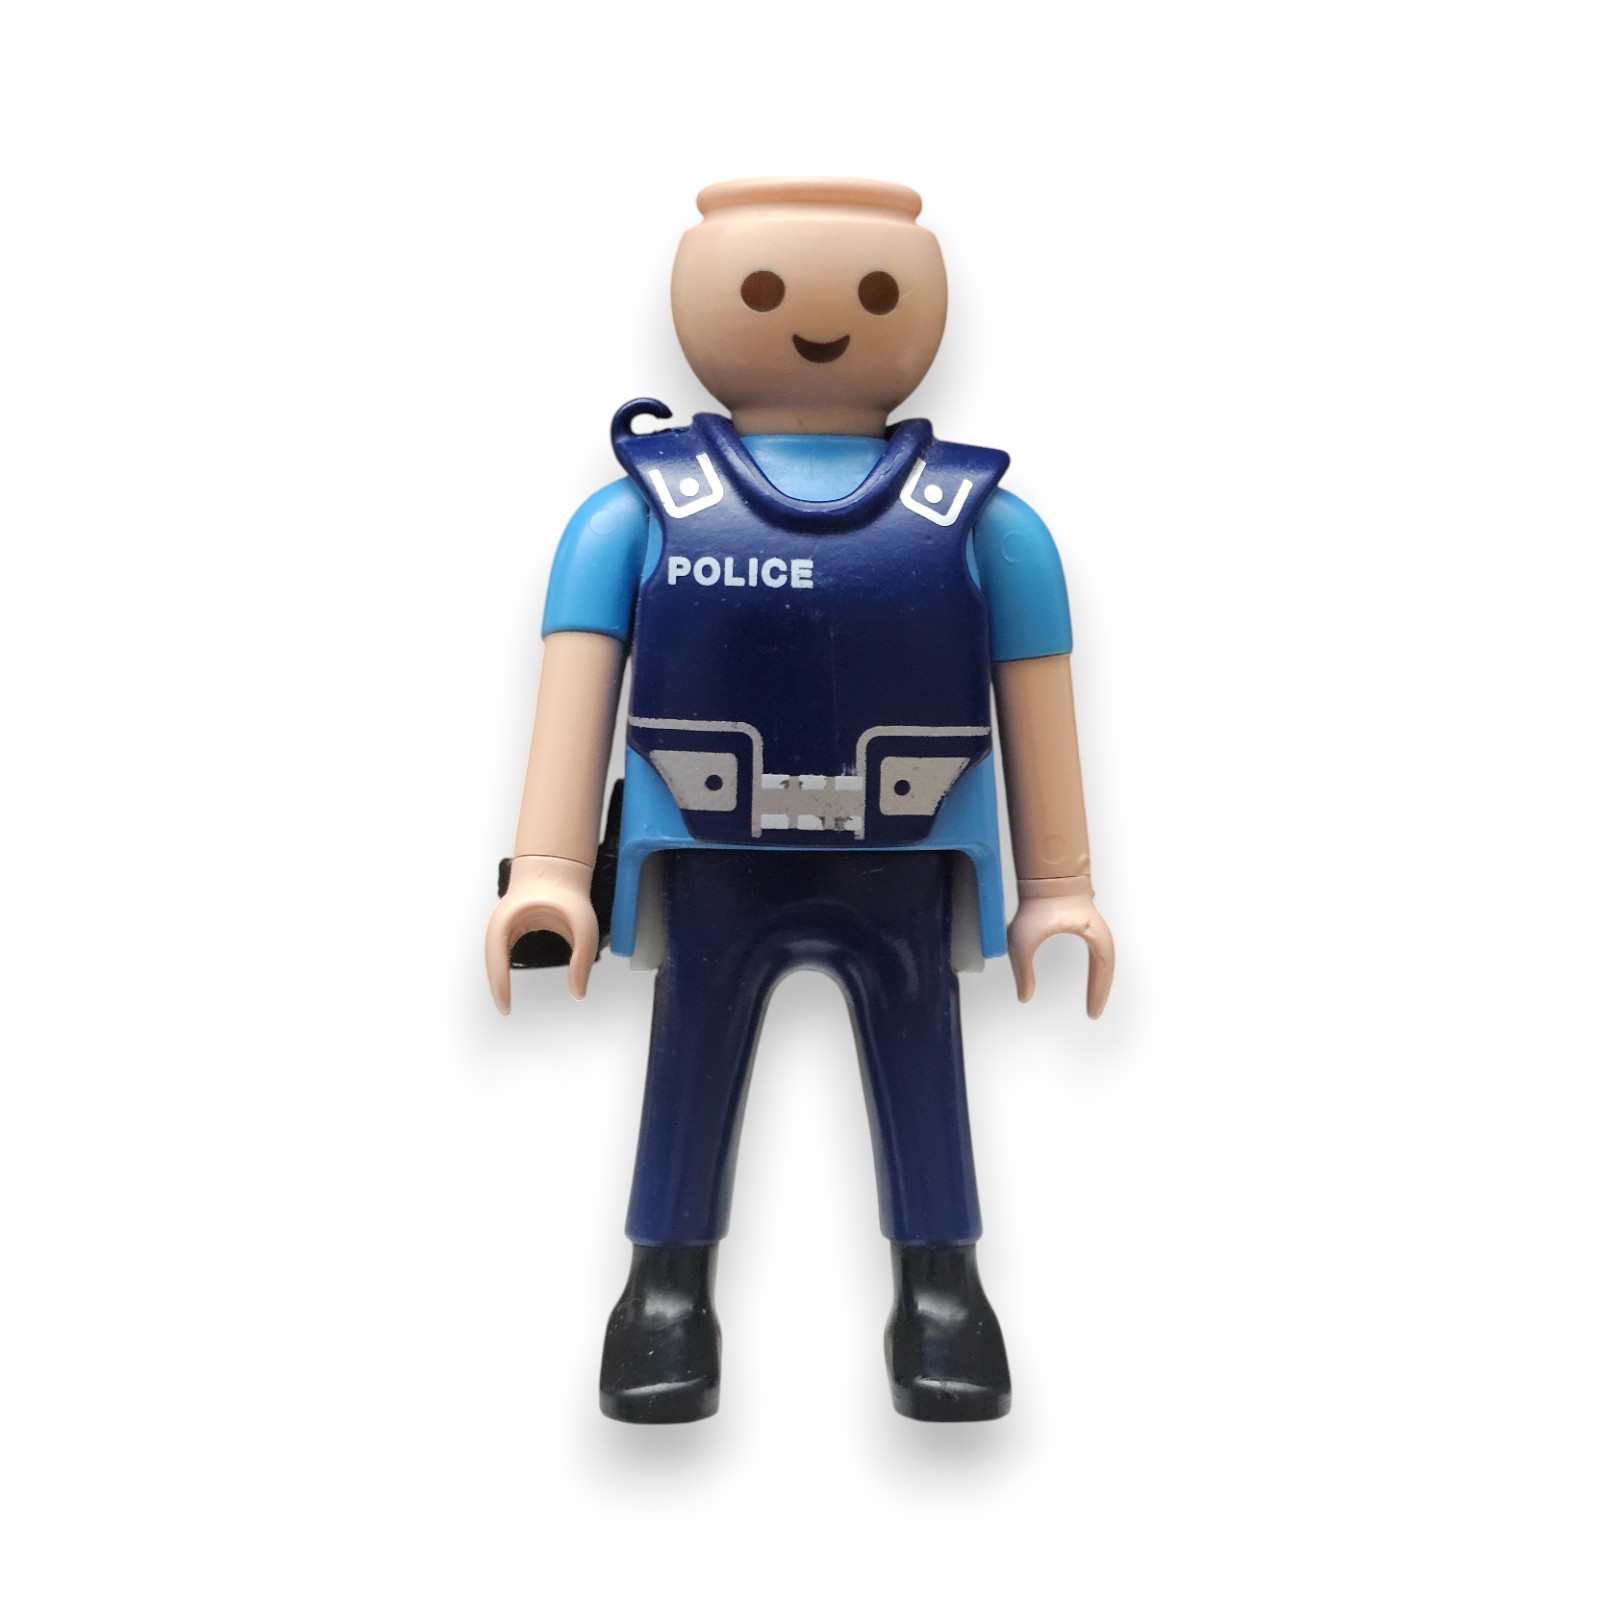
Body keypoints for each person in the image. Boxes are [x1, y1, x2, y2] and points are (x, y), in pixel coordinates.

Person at [485, 177, 1114, 1423]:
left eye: (878, 290)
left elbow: (1039, 701)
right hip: (712, 855)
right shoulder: (634, 515)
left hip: (904, 857)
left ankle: (942, 1293)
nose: (820, 318)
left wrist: (1060, 887)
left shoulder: (986, 525)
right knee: (688, 1064)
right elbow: (576, 685)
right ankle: (664, 1293)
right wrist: (547, 873)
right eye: (762, 288)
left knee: (923, 1064)